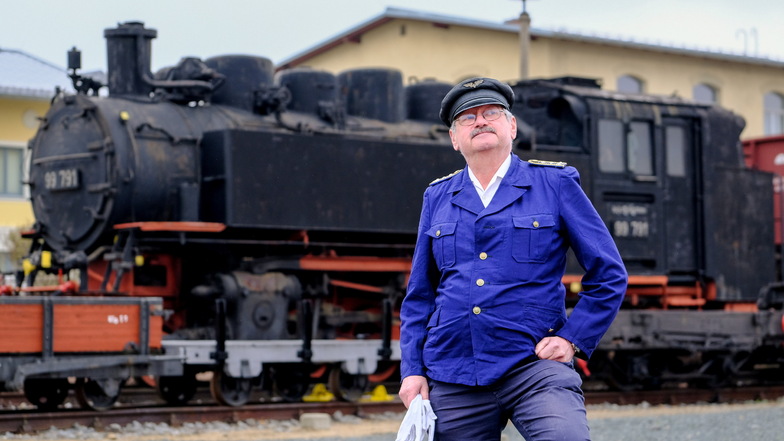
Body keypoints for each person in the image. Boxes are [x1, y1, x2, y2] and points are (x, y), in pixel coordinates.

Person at [398, 77, 628, 441]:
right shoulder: (437, 197)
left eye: (491, 112)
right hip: (454, 371)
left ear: (512, 126)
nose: (480, 121)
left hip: (533, 367)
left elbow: (609, 273)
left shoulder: (555, 183)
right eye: (467, 118)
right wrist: (412, 369)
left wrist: (573, 338)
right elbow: (420, 296)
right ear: (454, 139)